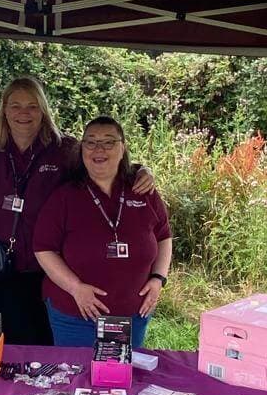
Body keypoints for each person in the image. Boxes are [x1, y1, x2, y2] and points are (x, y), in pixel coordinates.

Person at [0, 78, 156, 346]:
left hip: (53, 265)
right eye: (15, 105)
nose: (23, 113)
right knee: (18, 339)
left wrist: (141, 171)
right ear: (3, 110)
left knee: (52, 339)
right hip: (5, 265)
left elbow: (101, 160)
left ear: (44, 110)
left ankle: (53, 385)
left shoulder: (63, 148)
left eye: (32, 106)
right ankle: (27, 387)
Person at [34, 115, 172, 348]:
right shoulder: (65, 196)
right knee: (74, 377)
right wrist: (76, 288)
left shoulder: (142, 190)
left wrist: (158, 279)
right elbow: (43, 248)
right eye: (91, 142)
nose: (99, 149)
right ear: (82, 149)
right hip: (76, 314)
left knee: (121, 379)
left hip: (133, 314)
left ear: (123, 148)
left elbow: (164, 237)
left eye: (109, 142)